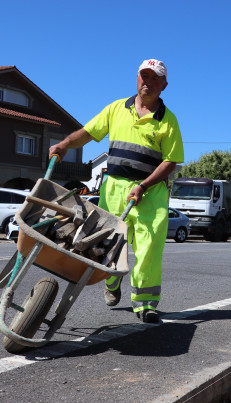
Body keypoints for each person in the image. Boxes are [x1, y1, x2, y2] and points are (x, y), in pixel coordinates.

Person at [49, 59, 183, 323]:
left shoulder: (168, 121)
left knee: (148, 250)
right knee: (109, 243)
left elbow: (171, 161)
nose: (147, 82)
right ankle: (111, 283)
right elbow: (88, 132)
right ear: (136, 78)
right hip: (115, 188)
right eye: (144, 76)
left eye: (154, 78)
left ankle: (145, 304)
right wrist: (65, 144)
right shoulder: (116, 109)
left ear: (163, 85)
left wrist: (144, 186)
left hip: (151, 191)